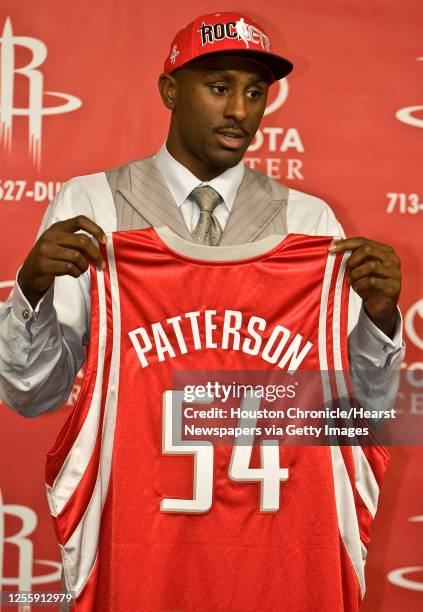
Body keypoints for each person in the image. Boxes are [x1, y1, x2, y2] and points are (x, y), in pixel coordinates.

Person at [0, 10, 403, 609]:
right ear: (169, 90)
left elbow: (359, 413)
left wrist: (379, 322)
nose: (240, 110)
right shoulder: (93, 206)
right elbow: (31, 393)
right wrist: (30, 292)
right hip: (140, 548)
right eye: (219, 88)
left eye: (255, 92)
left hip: (275, 551)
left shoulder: (310, 222)